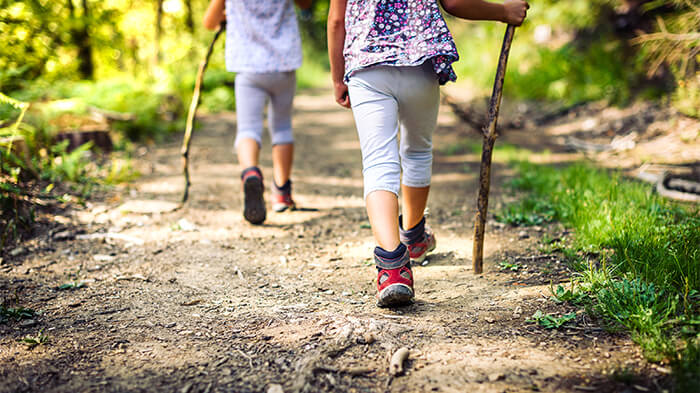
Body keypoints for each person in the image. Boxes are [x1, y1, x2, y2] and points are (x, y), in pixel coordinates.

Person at [327, 0, 529, 307]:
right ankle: (414, 236)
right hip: (418, 63)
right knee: (417, 151)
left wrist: (337, 77)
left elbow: (336, 21)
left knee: (378, 163)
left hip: (366, 67)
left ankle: (392, 268)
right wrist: (504, 11)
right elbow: (455, 3)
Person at [203, 0, 312, 225]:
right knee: (282, 127)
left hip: (248, 66)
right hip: (283, 64)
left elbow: (209, 22)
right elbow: (305, 3)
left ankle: (251, 173)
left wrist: (229, 15)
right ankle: (282, 193)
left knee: (247, 128)